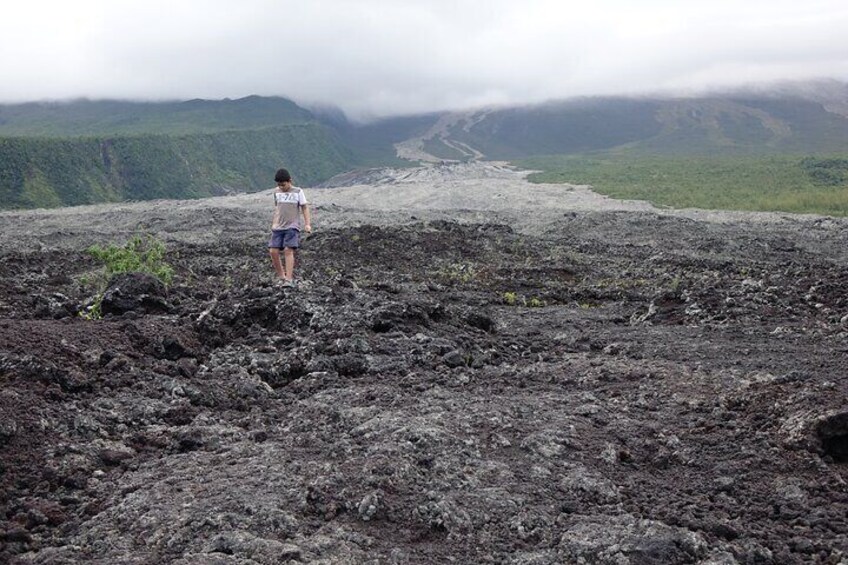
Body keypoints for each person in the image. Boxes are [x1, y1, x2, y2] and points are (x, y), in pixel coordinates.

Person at [268, 168, 312, 286]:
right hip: (278, 226)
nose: (281, 187)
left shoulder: (298, 192)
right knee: (273, 251)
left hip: (292, 226)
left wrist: (307, 224)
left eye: (283, 184)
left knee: (288, 250)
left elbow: (304, 207)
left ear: (290, 181)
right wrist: (274, 223)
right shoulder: (276, 192)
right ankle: (281, 276)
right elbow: (278, 208)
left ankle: (289, 279)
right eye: (279, 185)